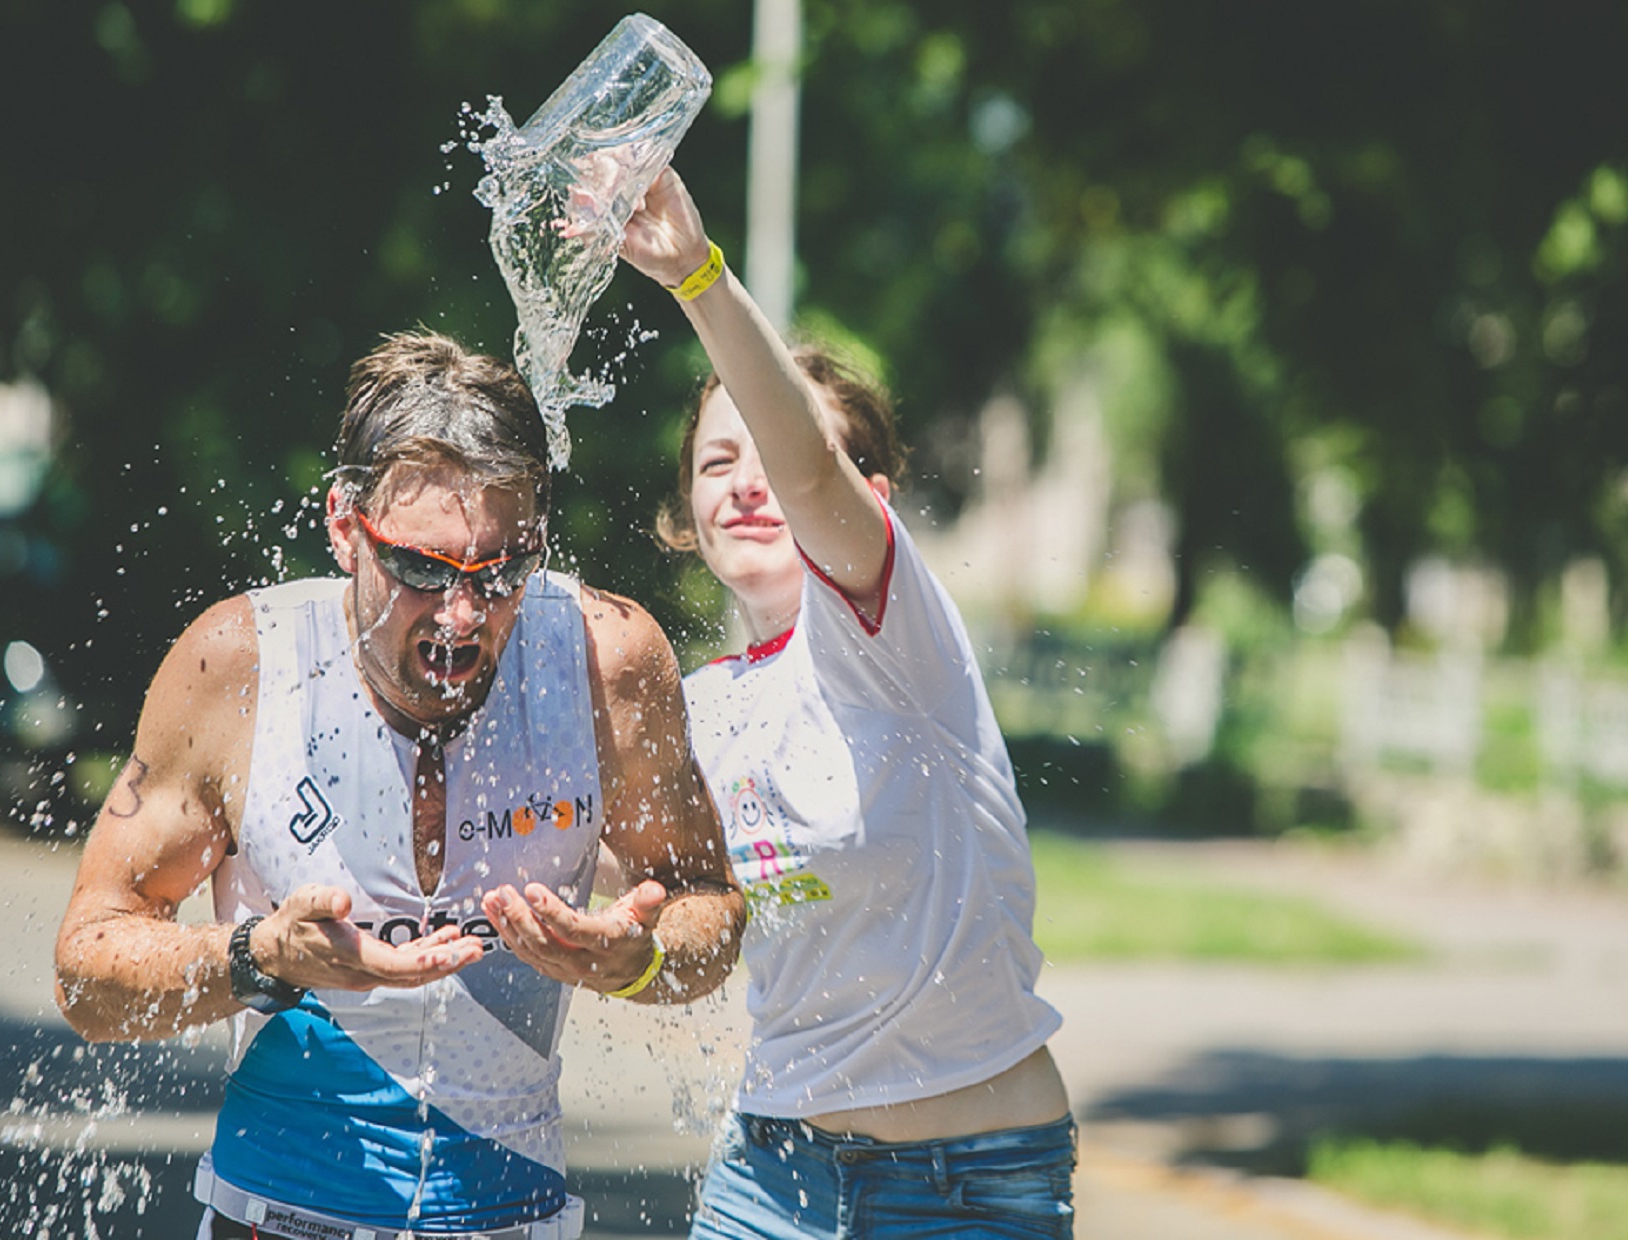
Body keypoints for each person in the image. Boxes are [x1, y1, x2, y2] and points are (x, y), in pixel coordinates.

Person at [53, 329, 746, 1240]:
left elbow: (712, 907)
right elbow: (87, 973)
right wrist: (260, 956)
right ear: (345, 525)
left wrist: (640, 959)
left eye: (501, 570)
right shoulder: (239, 664)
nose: (462, 614)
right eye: (419, 569)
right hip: (276, 1213)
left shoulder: (605, 658)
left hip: (512, 1215)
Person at [619, 169, 1076, 1238]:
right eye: (716, 461)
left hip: (967, 1184)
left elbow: (814, 475)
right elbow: (629, 878)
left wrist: (697, 277)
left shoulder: (893, 630)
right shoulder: (693, 707)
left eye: (770, 455)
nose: (747, 482)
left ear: (873, 498)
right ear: (684, 510)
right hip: (771, 1172)